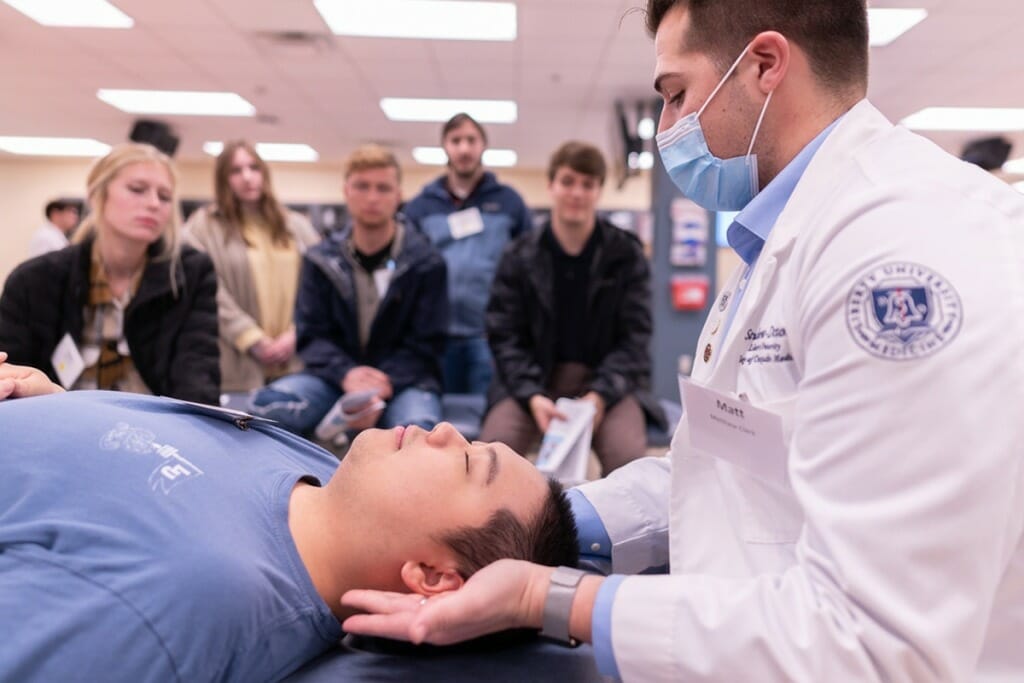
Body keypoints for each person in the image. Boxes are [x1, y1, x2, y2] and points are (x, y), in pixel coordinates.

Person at [339, 1, 1024, 681]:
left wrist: (545, 596)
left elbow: (872, 646)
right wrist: (533, 524)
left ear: (763, 66)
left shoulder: (899, 253)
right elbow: (726, 464)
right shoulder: (782, 239)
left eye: (675, 95)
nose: (666, 129)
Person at [0, 355, 579, 682]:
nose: (451, 431)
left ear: (432, 575)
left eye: (472, 465)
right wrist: (63, 406)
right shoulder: (319, 469)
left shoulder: (194, 599)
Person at [480, 141, 665, 474]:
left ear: (598, 191)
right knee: (492, 454)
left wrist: (599, 397)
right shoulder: (518, 256)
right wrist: (532, 395)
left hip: (608, 385)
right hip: (532, 382)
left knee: (629, 462)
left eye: (587, 184)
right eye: (567, 182)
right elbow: (503, 335)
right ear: (551, 185)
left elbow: (635, 340)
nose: (576, 193)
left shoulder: (626, 256)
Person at [250, 145, 447, 436]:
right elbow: (311, 334)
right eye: (362, 186)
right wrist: (347, 375)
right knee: (267, 408)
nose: (372, 197)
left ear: (398, 195)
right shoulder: (319, 260)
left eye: (383, 188)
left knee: (419, 434)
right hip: (332, 378)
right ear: (346, 191)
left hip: (406, 381)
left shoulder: (427, 263)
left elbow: (429, 343)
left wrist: (382, 382)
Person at [0, 143, 220, 405]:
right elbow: (13, 378)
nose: (153, 204)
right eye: (137, 190)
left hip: (157, 434)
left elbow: (197, 374)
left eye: (164, 196)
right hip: (57, 427)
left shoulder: (190, 273)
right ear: (96, 195)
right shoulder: (34, 279)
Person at [403, 113, 533, 395]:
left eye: (471, 140)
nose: (464, 148)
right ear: (445, 147)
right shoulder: (420, 207)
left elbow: (529, 269)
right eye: (456, 140)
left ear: (483, 146)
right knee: (440, 424)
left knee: (483, 420)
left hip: (488, 335)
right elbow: (406, 272)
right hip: (436, 336)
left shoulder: (509, 202)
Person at [184, 141, 321, 393]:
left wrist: (297, 332)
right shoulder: (203, 227)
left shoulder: (296, 226)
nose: (247, 177)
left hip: (296, 361)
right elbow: (206, 288)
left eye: (253, 168)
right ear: (223, 179)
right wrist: (250, 337)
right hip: (236, 362)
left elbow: (321, 286)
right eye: (235, 171)